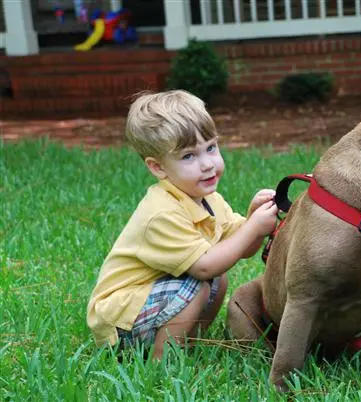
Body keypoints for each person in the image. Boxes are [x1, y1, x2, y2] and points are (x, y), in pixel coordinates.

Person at [87, 90, 278, 358]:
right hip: (120, 319)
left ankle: (189, 343)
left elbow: (241, 247)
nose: (207, 164)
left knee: (217, 277)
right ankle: (163, 361)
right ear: (158, 168)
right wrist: (254, 227)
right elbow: (204, 266)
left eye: (210, 148)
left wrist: (253, 217)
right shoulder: (161, 213)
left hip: (152, 301)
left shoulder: (207, 199)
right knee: (200, 284)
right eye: (189, 156)